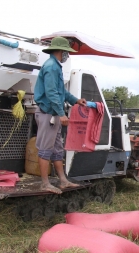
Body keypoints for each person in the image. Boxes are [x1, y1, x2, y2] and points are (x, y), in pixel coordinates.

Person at [34, 36, 87, 194]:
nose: (67, 56)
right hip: (47, 113)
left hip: (52, 114)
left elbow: (61, 92)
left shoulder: (55, 67)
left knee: (57, 149)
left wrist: (76, 101)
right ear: (61, 51)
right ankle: (45, 183)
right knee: (45, 148)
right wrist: (61, 113)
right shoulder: (51, 67)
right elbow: (51, 93)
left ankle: (63, 181)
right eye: (66, 52)